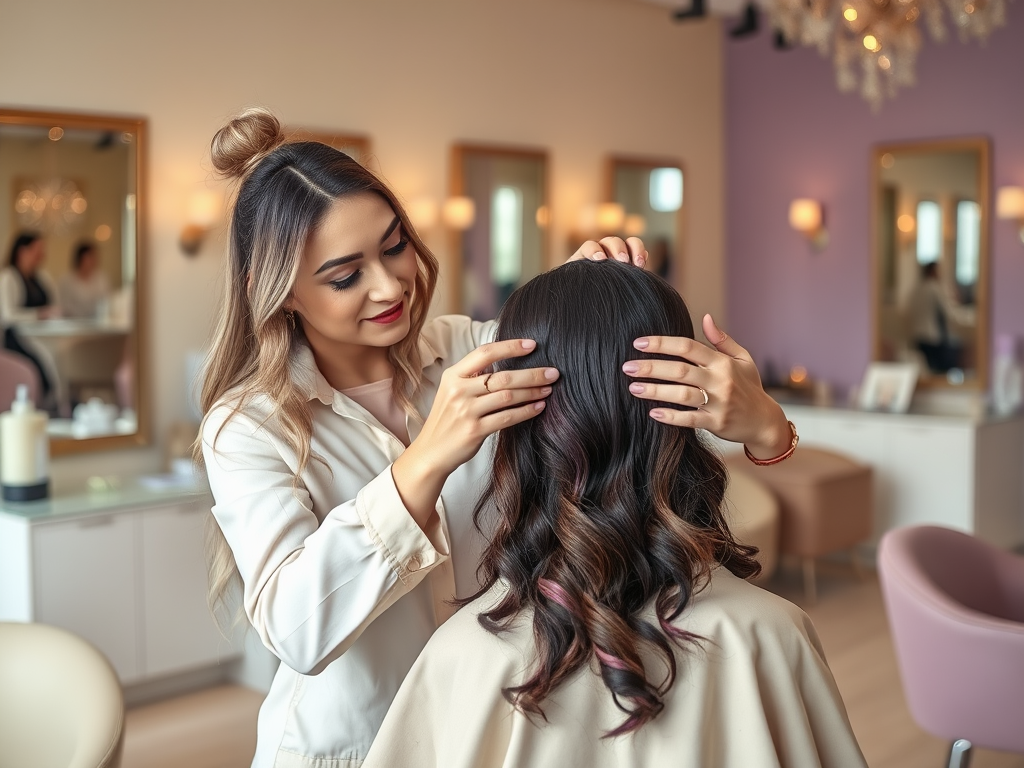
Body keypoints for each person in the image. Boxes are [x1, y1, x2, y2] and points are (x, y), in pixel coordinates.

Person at [197, 108, 794, 768]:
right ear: (276, 292)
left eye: (394, 245)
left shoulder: (475, 349)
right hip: (355, 748)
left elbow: (611, 409)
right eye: (345, 276)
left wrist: (765, 426)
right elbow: (296, 630)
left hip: (491, 725)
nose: (390, 284)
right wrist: (424, 461)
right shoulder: (247, 427)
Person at [364, 260, 865, 768]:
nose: (383, 285)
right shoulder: (770, 634)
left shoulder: (465, 657)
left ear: (514, 434)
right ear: (681, 423)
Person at [1, 232, 59, 397]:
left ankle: (58, 405)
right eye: (37, 250)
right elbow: (8, 316)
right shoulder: (9, 277)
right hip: (19, 340)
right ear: (22, 251)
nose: (42, 255)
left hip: (46, 337)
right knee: (39, 371)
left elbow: (54, 303)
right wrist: (39, 315)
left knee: (59, 361)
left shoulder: (41, 277)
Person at [906, 261, 974, 374]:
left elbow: (907, 311)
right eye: (938, 270)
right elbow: (949, 313)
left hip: (917, 336)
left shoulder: (916, 289)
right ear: (933, 271)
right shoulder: (934, 288)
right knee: (939, 370)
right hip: (931, 337)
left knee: (928, 370)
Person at [58, 241, 111, 319]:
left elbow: (107, 301)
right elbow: (63, 306)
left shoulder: (101, 278)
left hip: (98, 323)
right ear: (81, 258)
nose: (94, 260)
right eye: (90, 256)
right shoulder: (67, 280)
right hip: (74, 323)